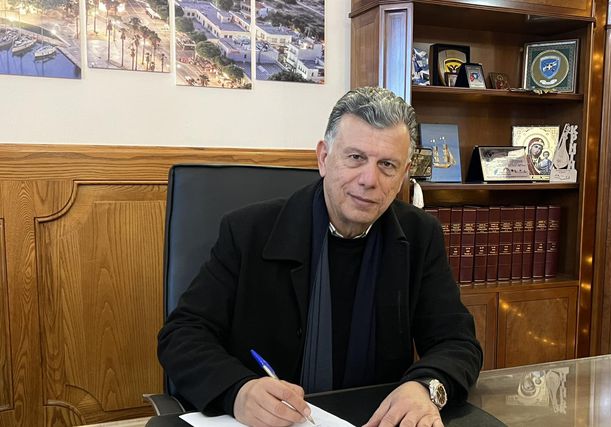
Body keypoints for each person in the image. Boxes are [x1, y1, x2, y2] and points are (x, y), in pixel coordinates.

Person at [157, 87, 482, 427]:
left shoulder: (420, 236)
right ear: (324, 158)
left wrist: (426, 387)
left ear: (404, 174)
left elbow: (457, 342)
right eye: (355, 157)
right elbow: (182, 334)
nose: (369, 180)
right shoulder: (249, 232)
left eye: (387, 165)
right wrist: (238, 390)